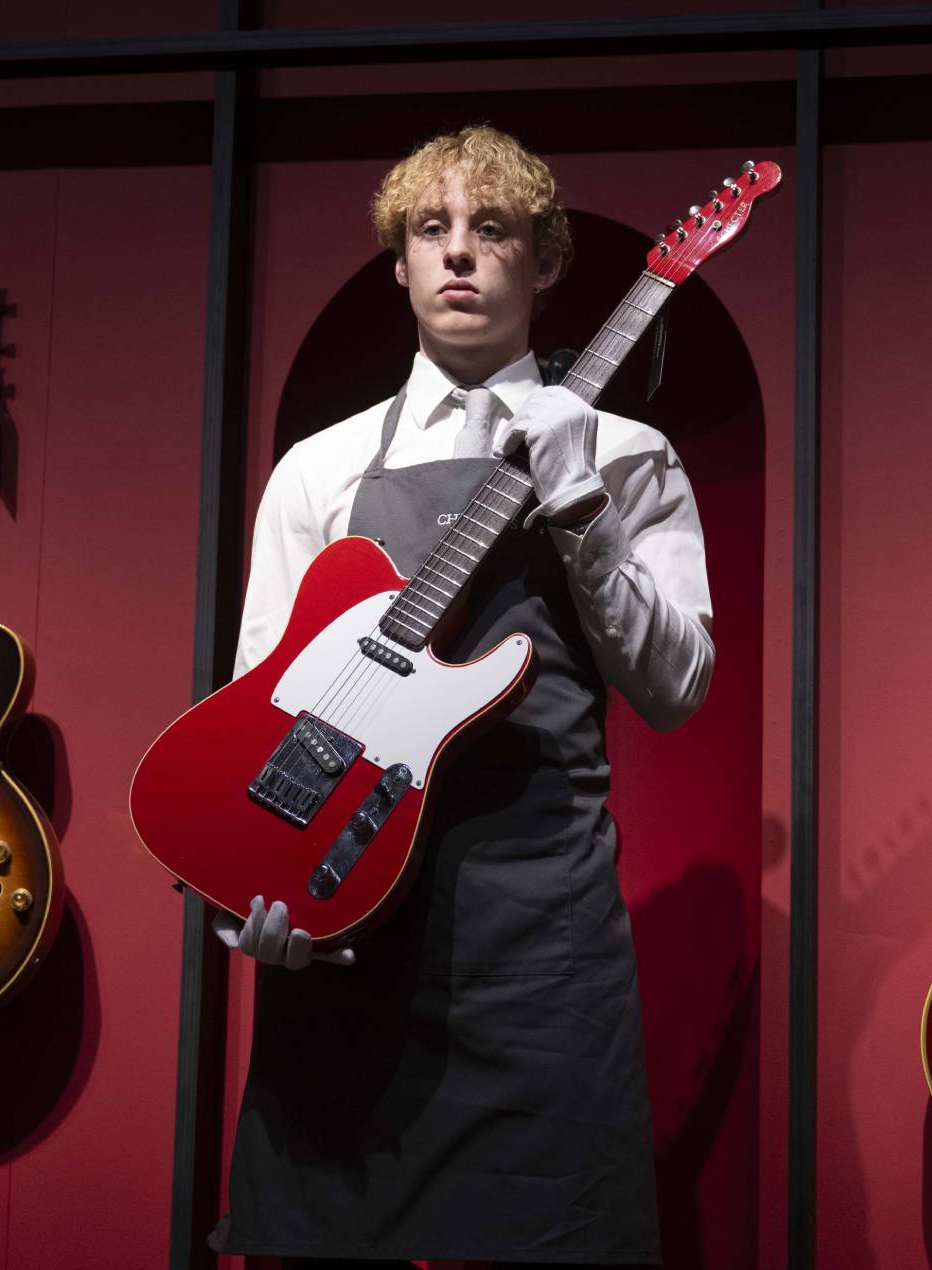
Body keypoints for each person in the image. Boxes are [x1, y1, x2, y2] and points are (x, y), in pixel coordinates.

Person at [213, 124, 714, 1269]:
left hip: (538, 941)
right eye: (428, 230)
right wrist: (243, 879)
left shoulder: (631, 454)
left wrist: (577, 495)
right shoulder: (320, 470)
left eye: (490, 230)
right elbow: (256, 708)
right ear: (396, 262)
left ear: (543, 265)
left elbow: (678, 687)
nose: (456, 254)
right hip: (343, 928)